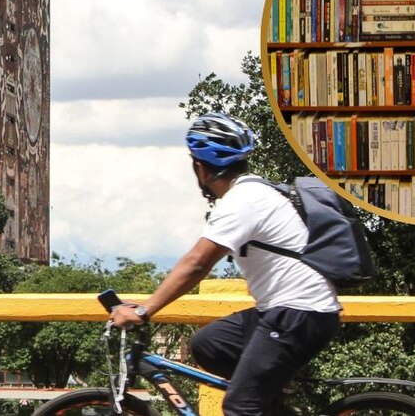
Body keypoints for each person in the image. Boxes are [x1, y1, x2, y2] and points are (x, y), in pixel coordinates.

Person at [110, 112, 342, 416]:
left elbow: (197, 263)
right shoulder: (254, 192)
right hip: (286, 312)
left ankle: (257, 399)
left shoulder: (242, 201)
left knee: (239, 406)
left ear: (201, 168)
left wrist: (145, 309)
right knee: (208, 344)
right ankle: (271, 401)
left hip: (298, 315)